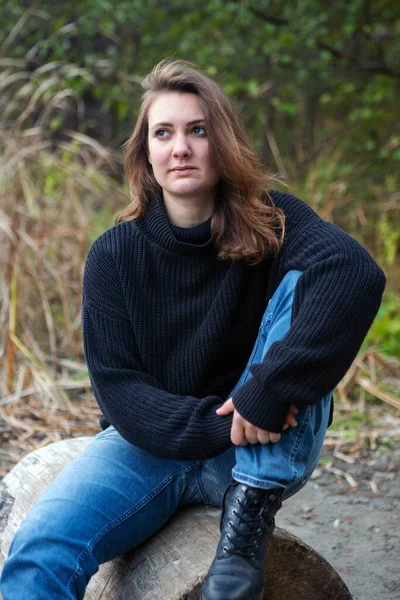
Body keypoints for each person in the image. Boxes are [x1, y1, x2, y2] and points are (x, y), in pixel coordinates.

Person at [0, 59, 385, 600]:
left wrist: (265, 393)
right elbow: (119, 391)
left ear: (221, 142)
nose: (180, 147)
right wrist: (220, 423)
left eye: (197, 130)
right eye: (164, 133)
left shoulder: (274, 220)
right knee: (38, 552)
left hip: (260, 446)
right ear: (147, 154)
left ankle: (250, 511)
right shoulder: (114, 255)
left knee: (311, 283)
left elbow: (357, 274)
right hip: (149, 446)